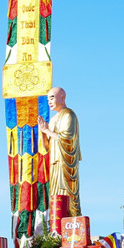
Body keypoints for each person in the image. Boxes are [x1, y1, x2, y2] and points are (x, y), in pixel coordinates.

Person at [38, 87, 81, 217]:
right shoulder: (52, 120)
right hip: (54, 163)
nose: (49, 101)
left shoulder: (69, 115)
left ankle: (70, 222)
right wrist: (43, 132)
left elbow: (67, 139)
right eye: (48, 99)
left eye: (52, 97)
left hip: (65, 162)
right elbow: (48, 147)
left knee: (65, 193)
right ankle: (56, 227)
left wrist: (47, 131)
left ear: (62, 97)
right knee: (55, 194)